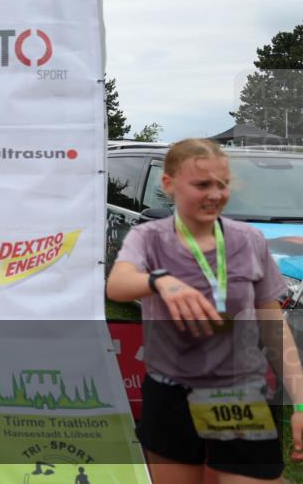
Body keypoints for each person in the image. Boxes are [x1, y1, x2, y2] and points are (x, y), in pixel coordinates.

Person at [106, 139, 303, 483]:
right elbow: (118, 284)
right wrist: (159, 280)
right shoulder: (149, 238)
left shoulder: (249, 240)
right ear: (168, 184)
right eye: (201, 184)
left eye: (222, 184)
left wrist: (300, 402)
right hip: (170, 393)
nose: (214, 194)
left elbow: (273, 323)